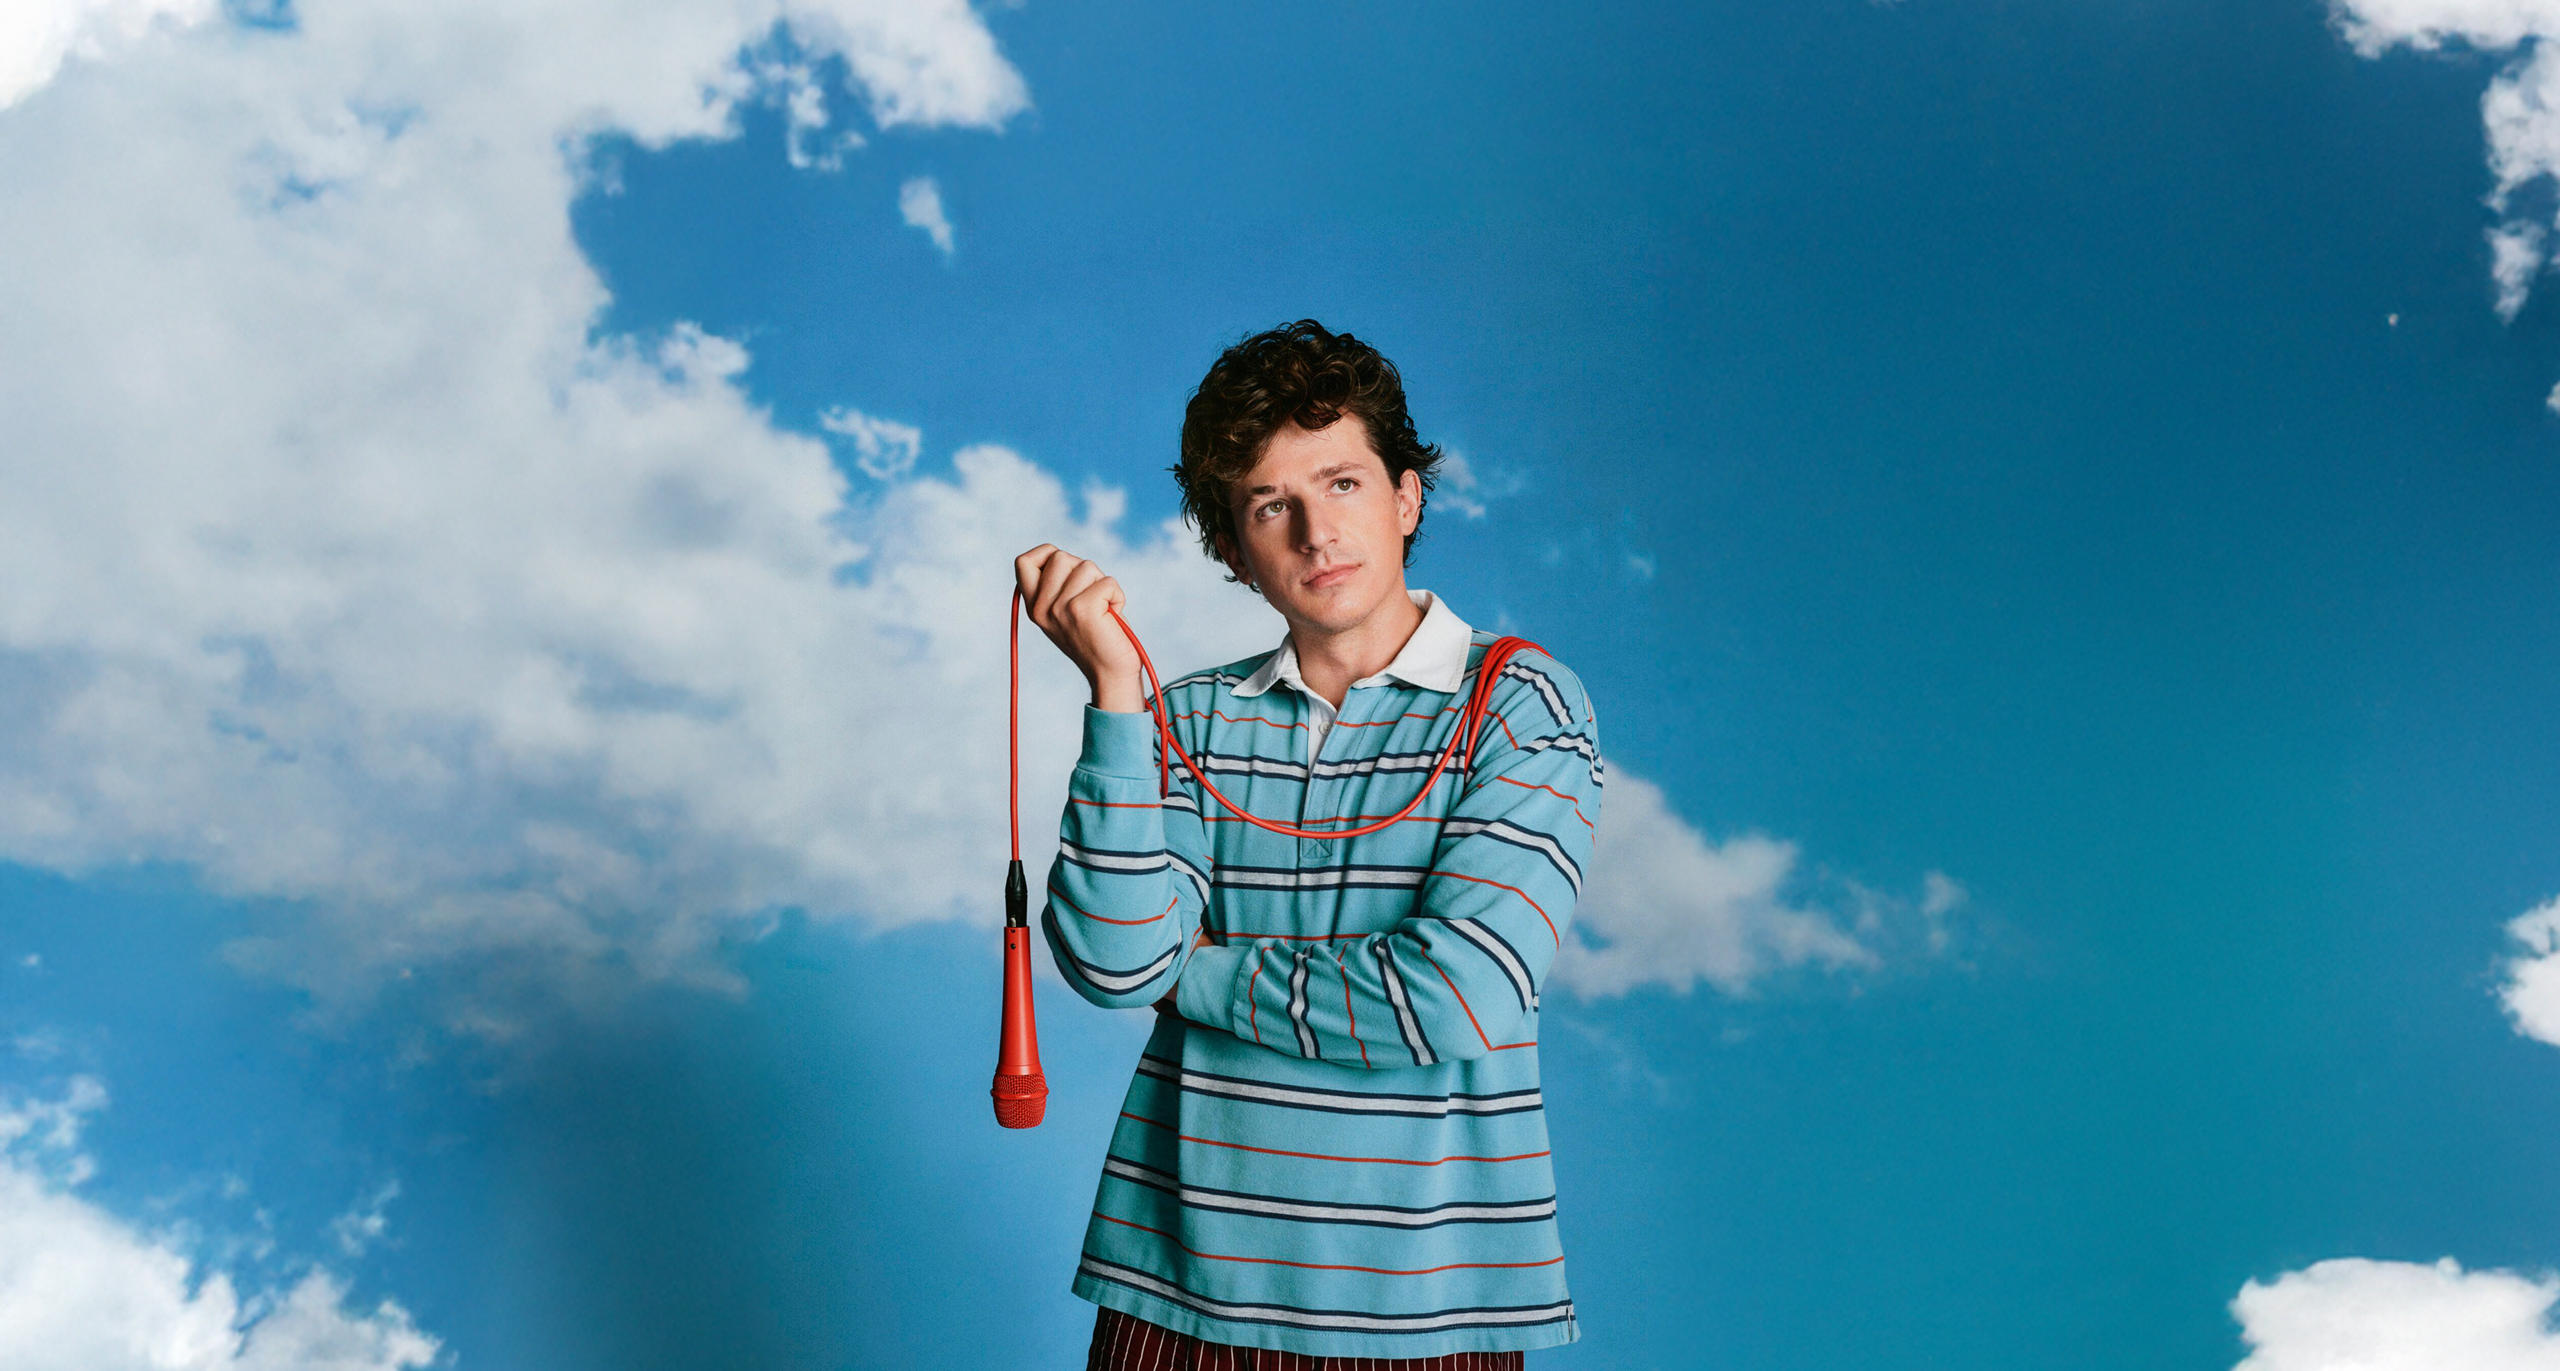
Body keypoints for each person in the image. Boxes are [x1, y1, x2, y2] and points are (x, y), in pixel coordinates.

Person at [1014, 320, 1602, 1369]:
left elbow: (1454, 999)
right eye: (1269, 506)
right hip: (1175, 1291)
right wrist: (1114, 695)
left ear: (1405, 497)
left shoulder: (1521, 705)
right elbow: (1114, 964)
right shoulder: (1182, 718)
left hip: (1428, 1307)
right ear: (1233, 552)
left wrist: (1196, 975)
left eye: (1342, 483)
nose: (1316, 534)